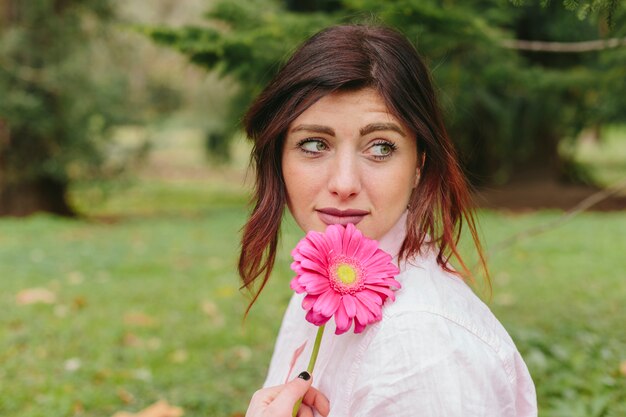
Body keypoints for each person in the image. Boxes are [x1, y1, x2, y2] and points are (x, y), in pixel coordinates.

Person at [241, 24, 537, 416]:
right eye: (314, 144)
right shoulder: (321, 281)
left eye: (381, 147)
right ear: (279, 157)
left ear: (420, 164)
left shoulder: (418, 343)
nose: (344, 183)